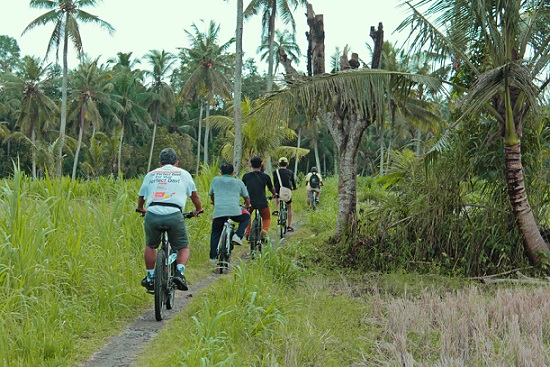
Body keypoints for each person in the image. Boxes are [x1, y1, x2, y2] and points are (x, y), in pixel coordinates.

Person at [136, 147, 204, 292]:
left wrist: (141, 208)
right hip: (174, 214)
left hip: (153, 213)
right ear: (177, 163)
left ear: (160, 163)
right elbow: (194, 197)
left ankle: (150, 277)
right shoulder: (184, 174)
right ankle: (179, 273)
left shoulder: (151, 174)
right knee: (183, 247)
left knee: (151, 246)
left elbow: (141, 197)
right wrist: (198, 209)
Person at [208, 163, 251, 263]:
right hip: (235, 212)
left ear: (221, 172)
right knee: (246, 216)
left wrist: (215, 203)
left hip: (219, 211)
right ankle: (238, 236)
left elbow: (211, 194)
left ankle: (213, 257)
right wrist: (247, 205)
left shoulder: (215, 180)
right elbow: (246, 197)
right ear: (232, 172)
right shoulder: (238, 182)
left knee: (215, 233)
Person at [242, 156, 277, 240]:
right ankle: (263, 234)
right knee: (266, 218)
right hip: (262, 202)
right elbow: (271, 188)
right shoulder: (266, 177)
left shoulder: (246, 176)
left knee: (247, 216)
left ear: (251, 165)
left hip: (249, 202)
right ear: (261, 165)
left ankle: (247, 232)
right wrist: (274, 194)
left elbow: (242, 188)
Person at [273, 157, 297, 231]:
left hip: (278, 191)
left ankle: (276, 210)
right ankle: (289, 226)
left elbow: (274, 182)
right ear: (287, 164)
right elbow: (293, 182)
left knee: (276, 196)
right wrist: (294, 187)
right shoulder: (290, 172)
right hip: (287, 191)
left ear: (279, 164)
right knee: (289, 208)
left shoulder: (275, 172)